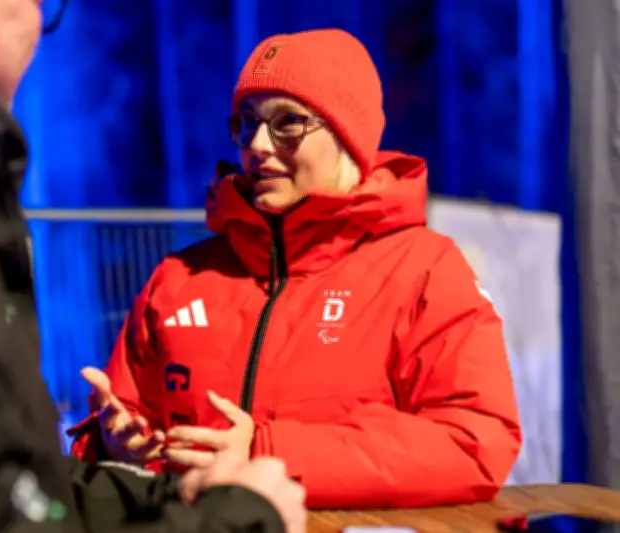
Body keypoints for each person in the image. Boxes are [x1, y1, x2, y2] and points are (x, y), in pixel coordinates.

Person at [0, 2, 305, 532]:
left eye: (288, 124)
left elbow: (2, 480)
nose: (259, 146)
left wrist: (157, 495)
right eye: (40, 5)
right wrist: (236, 520)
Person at [69, 28, 523, 509]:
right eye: (247, 122)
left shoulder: (424, 269)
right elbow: (133, 426)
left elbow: (473, 443)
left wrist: (266, 454)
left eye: (287, 122)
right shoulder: (179, 278)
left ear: (347, 137)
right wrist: (116, 445)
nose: (258, 144)